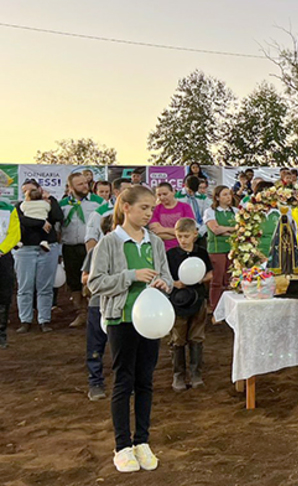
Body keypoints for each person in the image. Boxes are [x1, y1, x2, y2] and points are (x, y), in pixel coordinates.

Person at [87, 185, 172, 473]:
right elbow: (95, 283)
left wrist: (164, 285)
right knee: (124, 380)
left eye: (152, 208)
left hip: (151, 321)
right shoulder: (109, 243)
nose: (149, 213)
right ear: (126, 207)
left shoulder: (156, 243)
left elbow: (169, 280)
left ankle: (143, 441)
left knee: (145, 380)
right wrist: (130, 276)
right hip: (121, 319)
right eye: (144, 208)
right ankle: (122, 445)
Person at [166, 218, 213, 392]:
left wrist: (199, 278)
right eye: (179, 236)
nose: (183, 240)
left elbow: (210, 274)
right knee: (178, 337)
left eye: (186, 236)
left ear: (195, 234)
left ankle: (196, 374)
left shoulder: (201, 252)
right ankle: (178, 375)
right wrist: (175, 283)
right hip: (178, 300)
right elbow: (165, 277)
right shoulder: (171, 255)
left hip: (198, 298)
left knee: (197, 336)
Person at [14, 180, 63, 333]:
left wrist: (52, 200)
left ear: (40, 190)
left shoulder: (48, 204)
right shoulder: (19, 205)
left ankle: (44, 320)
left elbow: (58, 216)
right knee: (24, 287)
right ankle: (25, 320)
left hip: (48, 248)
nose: (28, 193)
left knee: (45, 287)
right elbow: (19, 220)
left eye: (31, 190)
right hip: (25, 249)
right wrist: (41, 222)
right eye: (25, 191)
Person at [60, 172, 108, 328]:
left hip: (91, 247)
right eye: (80, 184)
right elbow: (58, 227)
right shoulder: (63, 204)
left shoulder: (99, 203)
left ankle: (95, 312)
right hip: (70, 248)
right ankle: (81, 313)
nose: (85, 186)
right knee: (74, 281)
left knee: (92, 278)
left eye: (85, 183)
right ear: (71, 187)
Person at [83, 214, 115, 399]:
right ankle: (95, 382)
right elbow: (85, 278)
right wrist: (108, 280)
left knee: (123, 345)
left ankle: (126, 381)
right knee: (96, 345)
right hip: (99, 303)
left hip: (122, 303)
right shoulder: (95, 252)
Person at [203, 185, 237, 312]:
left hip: (232, 250)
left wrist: (225, 230)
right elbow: (215, 230)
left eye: (229, 194)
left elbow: (240, 230)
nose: (228, 197)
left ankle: (229, 308)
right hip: (217, 250)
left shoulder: (236, 211)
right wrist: (232, 229)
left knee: (230, 280)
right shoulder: (210, 212)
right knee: (217, 280)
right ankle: (215, 308)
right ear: (217, 197)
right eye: (225, 194)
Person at [0, 198, 21, 348]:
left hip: (3, 256)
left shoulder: (9, 209)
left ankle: (1, 335)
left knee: (4, 295)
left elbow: (14, 234)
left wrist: (2, 250)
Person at [149, 183, 194, 251]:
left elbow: (189, 231)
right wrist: (178, 234)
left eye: (165, 194)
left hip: (183, 249)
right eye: (159, 195)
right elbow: (155, 233)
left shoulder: (185, 207)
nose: (162, 197)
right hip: (162, 249)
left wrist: (163, 229)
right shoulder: (155, 209)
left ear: (173, 192)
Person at [16, 187, 54, 252]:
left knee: (24, 231)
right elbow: (48, 209)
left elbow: (22, 209)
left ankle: (20, 242)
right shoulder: (45, 204)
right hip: (42, 221)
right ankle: (44, 242)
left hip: (28, 221)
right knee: (45, 231)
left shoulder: (25, 204)